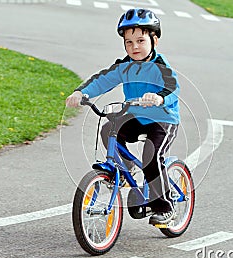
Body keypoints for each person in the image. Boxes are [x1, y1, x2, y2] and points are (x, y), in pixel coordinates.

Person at [66, 8, 180, 225]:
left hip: (163, 119)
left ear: (154, 40)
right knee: (109, 129)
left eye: (140, 40)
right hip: (136, 115)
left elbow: (172, 87)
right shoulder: (124, 66)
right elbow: (102, 80)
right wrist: (81, 93)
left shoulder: (160, 67)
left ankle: (164, 207)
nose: (134, 47)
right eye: (129, 42)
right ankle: (126, 165)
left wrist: (159, 98)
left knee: (151, 157)